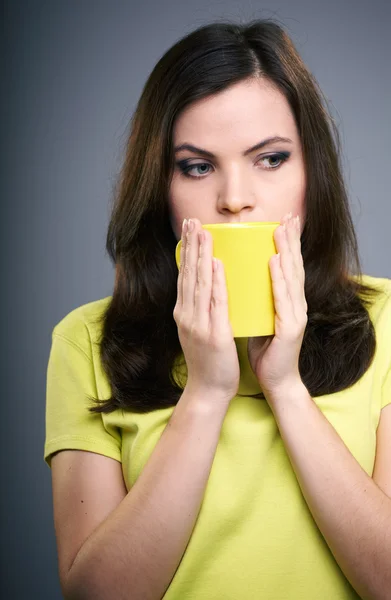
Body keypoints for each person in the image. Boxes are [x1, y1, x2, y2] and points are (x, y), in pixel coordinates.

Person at [44, 19, 391, 600]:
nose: (234, 198)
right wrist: (205, 393)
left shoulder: (388, 320)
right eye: (197, 166)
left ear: (314, 174)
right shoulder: (86, 340)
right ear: (161, 187)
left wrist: (284, 386)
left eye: (271, 159)